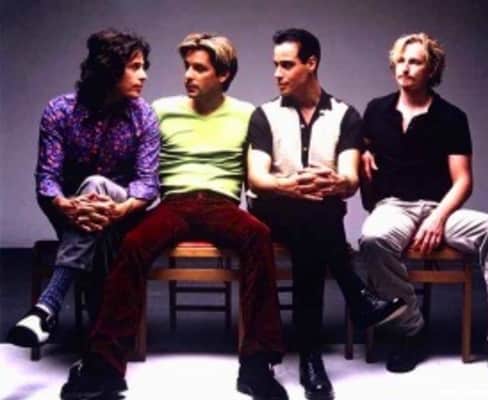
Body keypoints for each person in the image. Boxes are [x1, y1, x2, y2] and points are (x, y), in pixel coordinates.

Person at [59, 33, 289, 400]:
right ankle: (104, 368)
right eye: (187, 67)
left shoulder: (247, 114)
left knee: (258, 236)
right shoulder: (161, 109)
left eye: (199, 68)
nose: (188, 75)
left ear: (224, 74)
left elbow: (269, 159)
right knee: (131, 244)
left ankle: (257, 367)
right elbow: (135, 160)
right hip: (174, 203)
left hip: (221, 204)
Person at [359, 32, 488, 392]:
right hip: (393, 206)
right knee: (372, 238)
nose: (405, 68)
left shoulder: (451, 117)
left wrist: (438, 218)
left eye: (415, 61)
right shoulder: (376, 110)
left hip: (442, 208)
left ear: (432, 69)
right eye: (401, 61)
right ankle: (411, 330)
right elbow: (357, 155)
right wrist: (362, 154)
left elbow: (463, 180)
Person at [247, 28, 407, 400]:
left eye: (287, 65)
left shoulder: (345, 115)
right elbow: (257, 178)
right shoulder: (264, 115)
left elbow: (350, 179)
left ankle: (311, 358)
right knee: (315, 220)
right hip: (272, 213)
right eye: (275, 65)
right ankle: (350, 308)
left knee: (312, 239)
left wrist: (334, 182)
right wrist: (291, 185)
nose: (277, 73)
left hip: (317, 219)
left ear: (311, 63)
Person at [7, 29, 159, 348]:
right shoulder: (60, 111)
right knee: (93, 216)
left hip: (124, 214)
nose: (144, 75)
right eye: (135, 66)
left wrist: (119, 210)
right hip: (71, 215)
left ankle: (46, 308)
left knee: (96, 184)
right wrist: (66, 205)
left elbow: (147, 184)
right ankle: (99, 346)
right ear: (109, 69)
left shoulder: (143, 115)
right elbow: (47, 177)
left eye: (144, 67)